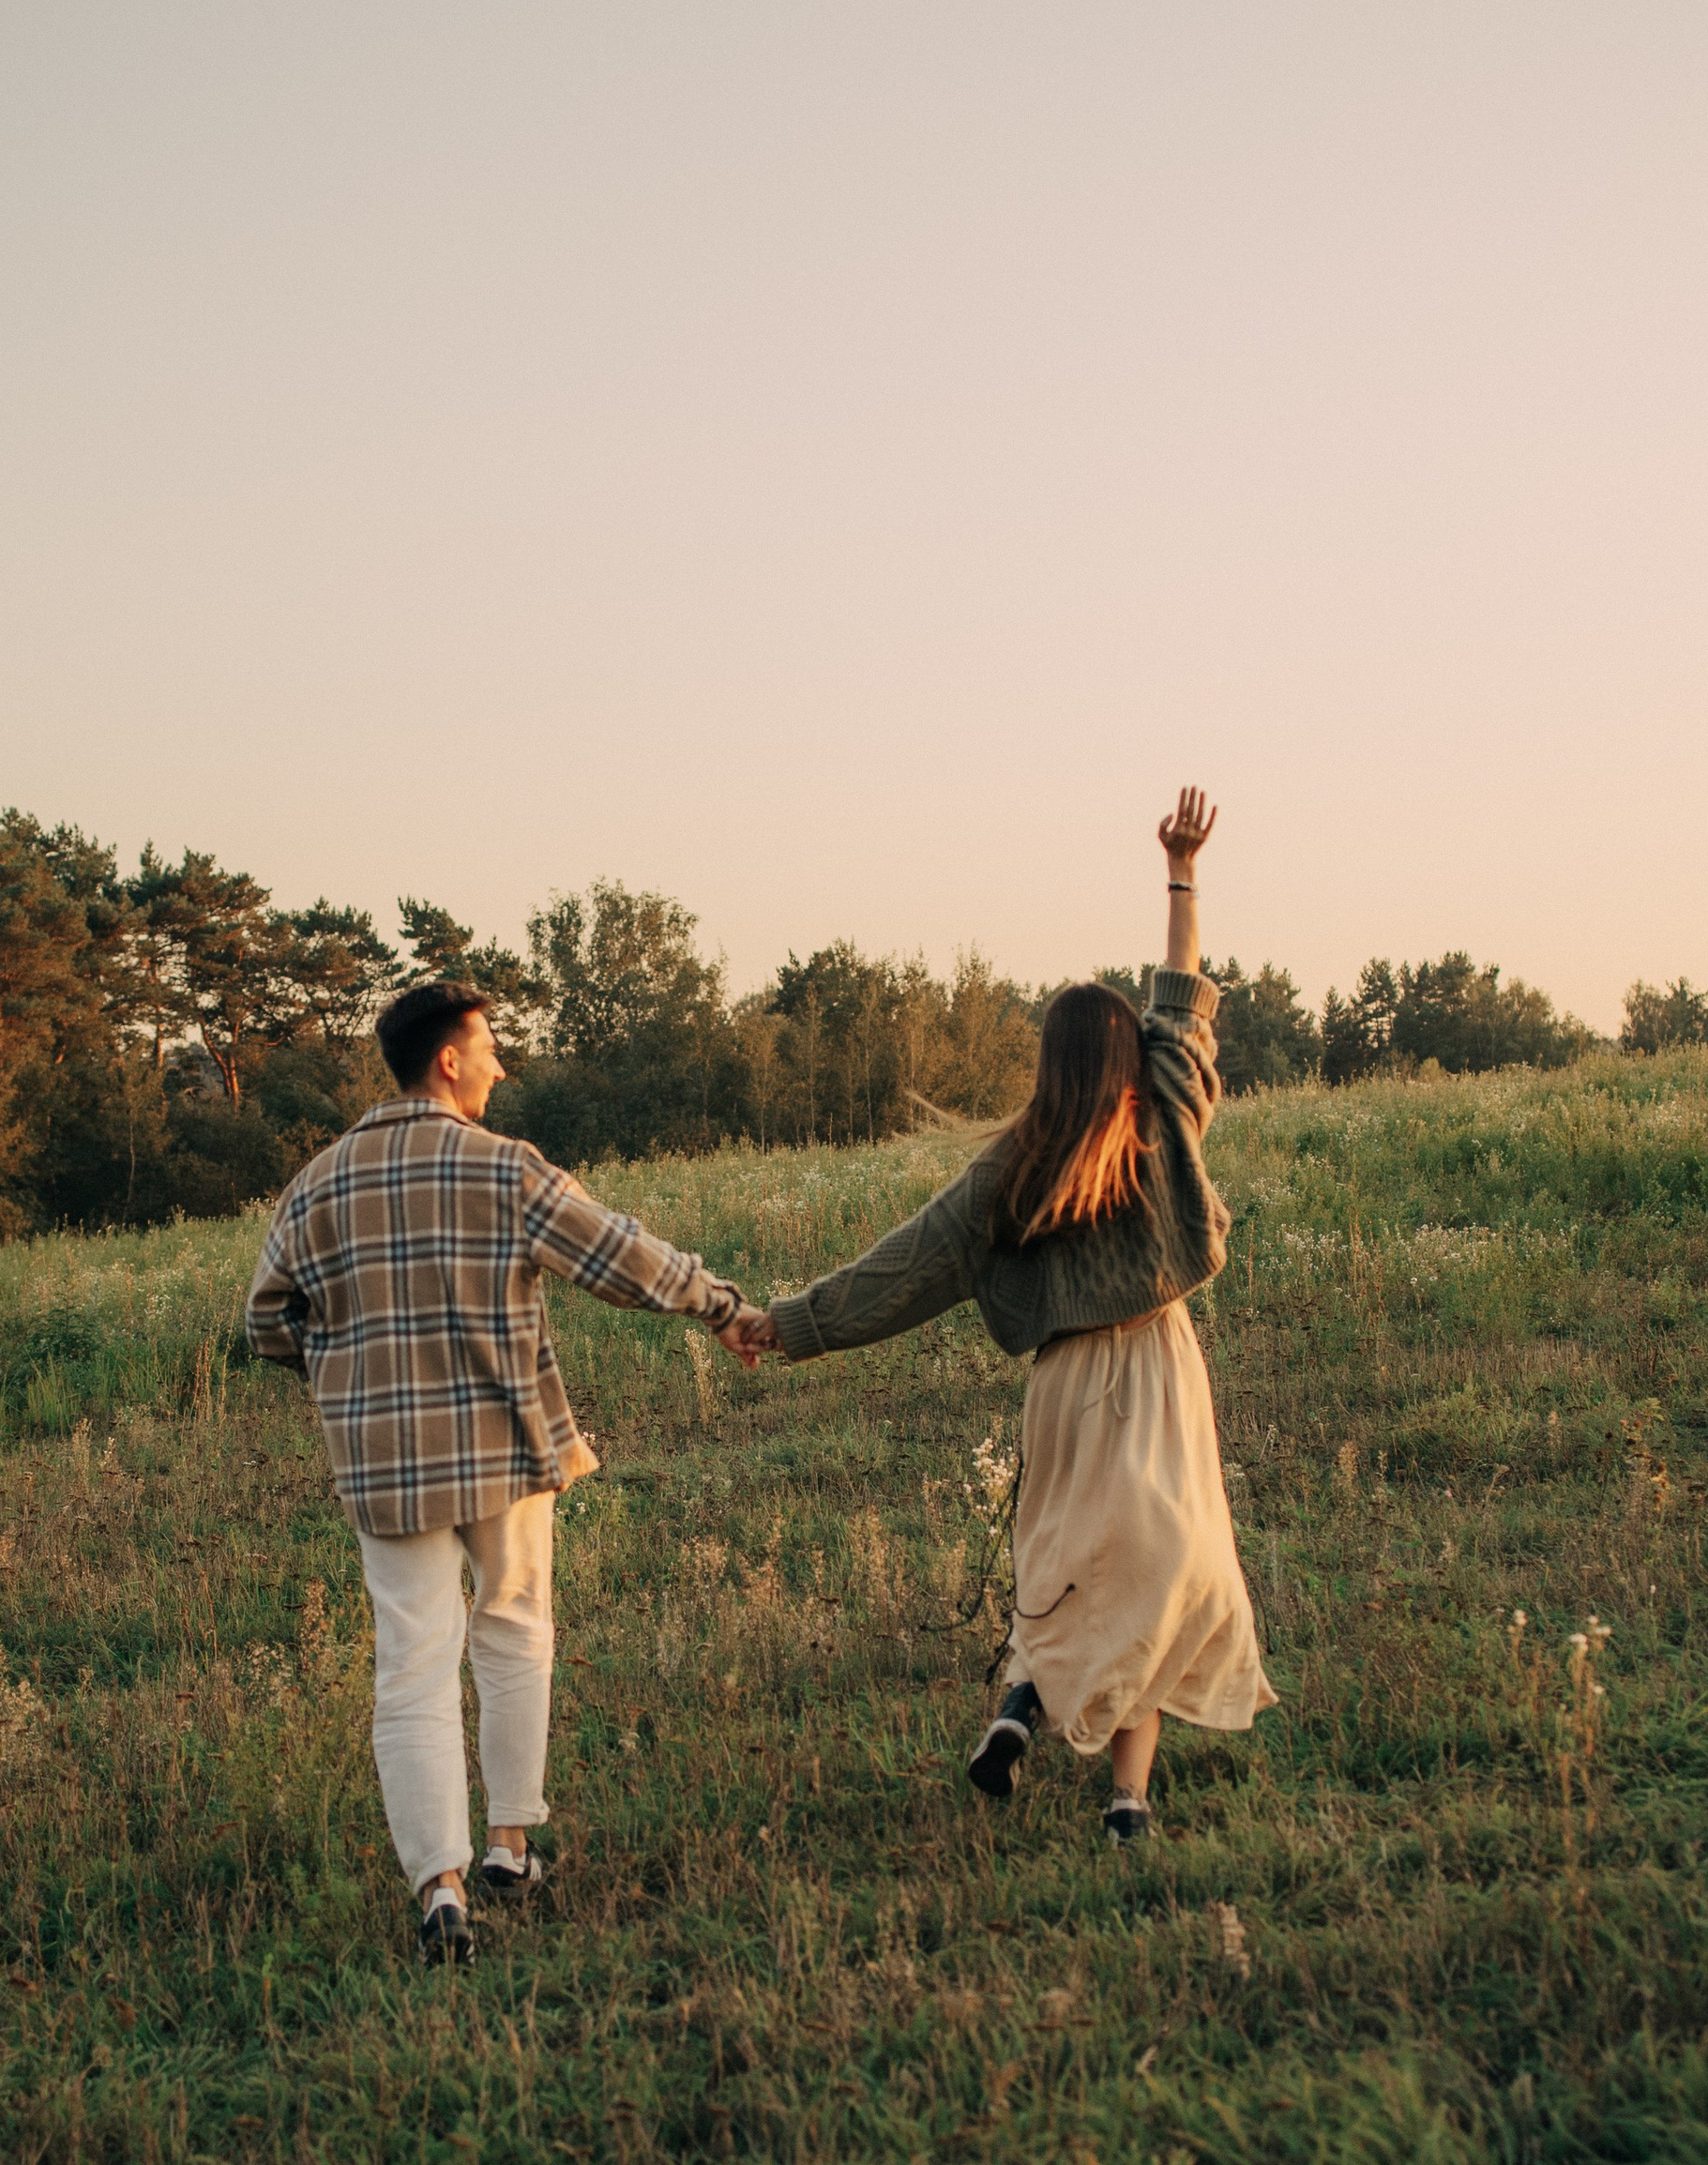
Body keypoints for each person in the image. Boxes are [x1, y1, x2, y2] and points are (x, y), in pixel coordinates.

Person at [757, 789, 1275, 1839]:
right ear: (1130, 1056)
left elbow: (904, 1269)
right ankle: (1126, 1799)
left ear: (1050, 1065)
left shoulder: (1014, 1162)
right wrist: (1181, 872)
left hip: (1065, 1386)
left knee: (1066, 1563)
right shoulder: (1162, 1119)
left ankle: (1017, 1712)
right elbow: (1181, 1001)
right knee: (1169, 1572)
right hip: (1158, 1370)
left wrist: (792, 1324)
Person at [246, 980, 763, 1965]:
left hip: (383, 1464)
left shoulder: (316, 1184)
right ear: (448, 1059)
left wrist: (344, 1373)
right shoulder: (504, 1170)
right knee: (515, 1628)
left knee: (411, 1664)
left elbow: (265, 1322)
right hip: (503, 1445)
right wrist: (721, 1305)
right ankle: (509, 1847)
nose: (499, 1065)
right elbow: (624, 1259)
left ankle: (437, 1887)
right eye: (489, 1047)